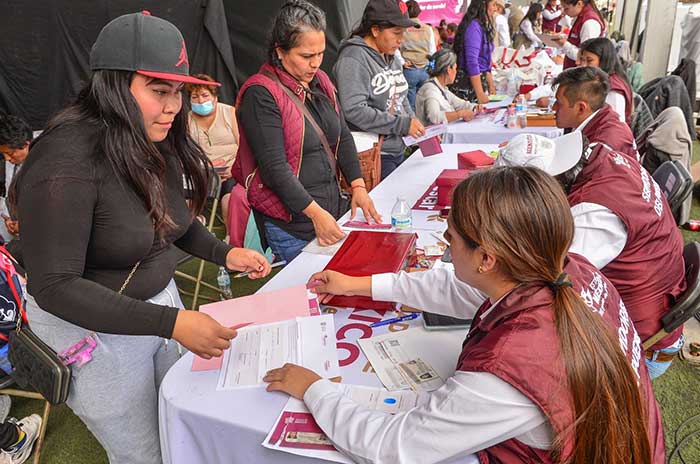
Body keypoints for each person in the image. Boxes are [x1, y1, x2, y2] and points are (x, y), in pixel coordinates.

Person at [268, 167, 665, 464]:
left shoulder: (511, 368)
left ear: (487, 258)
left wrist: (315, 389)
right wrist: (359, 285)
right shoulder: (569, 268)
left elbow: (392, 448)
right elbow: (458, 289)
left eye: (452, 237)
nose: (445, 244)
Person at [11, 12, 272, 464]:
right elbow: (53, 287)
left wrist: (224, 254)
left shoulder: (151, 137)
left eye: (178, 92)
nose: (173, 105)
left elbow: (173, 222)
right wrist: (170, 323)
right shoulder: (65, 158)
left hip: (157, 308)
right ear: (113, 85)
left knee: (181, 427)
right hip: (95, 334)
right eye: (158, 91)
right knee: (146, 454)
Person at [494, 132, 686, 378]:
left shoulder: (594, 214)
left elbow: (544, 285)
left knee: (519, 367)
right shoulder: (605, 158)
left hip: (642, 347)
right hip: (648, 315)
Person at [235, 1, 381, 263]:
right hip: (295, 224)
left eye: (321, 54)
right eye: (306, 56)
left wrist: (358, 185)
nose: (315, 63)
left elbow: (342, 135)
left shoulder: (321, 81)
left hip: (332, 209)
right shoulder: (260, 94)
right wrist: (315, 214)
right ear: (280, 51)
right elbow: (275, 169)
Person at [334, 0, 426, 180]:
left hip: (397, 149)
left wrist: (416, 126)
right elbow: (354, 110)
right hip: (374, 156)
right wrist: (403, 124)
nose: (401, 40)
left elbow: (401, 98)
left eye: (403, 33)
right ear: (375, 30)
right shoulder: (353, 58)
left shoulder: (392, 58)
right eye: (396, 33)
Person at [185, 74, 250, 247]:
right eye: (195, 97)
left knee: (229, 196)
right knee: (184, 190)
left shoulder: (229, 112)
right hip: (202, 171)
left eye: (205, 96)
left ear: (214, 97)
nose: (200, 101)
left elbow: (242, 145)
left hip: (231, 169)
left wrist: (234, 168)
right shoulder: (186, 120)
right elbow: (185, 153)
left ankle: (231, 239)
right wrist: (204, 168)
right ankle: (190, 229)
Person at [552, 66, 637, 160]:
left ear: (581, 108)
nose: (553, 107)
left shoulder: (600, 150)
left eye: (559, 103)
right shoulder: (604, 113)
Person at [451, 0, 499, 103]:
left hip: (477, 84)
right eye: (494, 5)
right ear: (483, 5)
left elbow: (485, 62)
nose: (496, 9)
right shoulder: (474, 27)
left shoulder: (481, 26)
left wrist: (491, 85)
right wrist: (480, 94)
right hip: (468, 87)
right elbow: (472, 62)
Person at [415, 49, 479, 125]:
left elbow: (459, 104)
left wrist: (475, 107)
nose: (456, 72)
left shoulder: (441, 88)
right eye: (455, 69)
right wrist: (459, 114)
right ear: (449, 70)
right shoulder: (430, 90)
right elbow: (434, 117)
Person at [579, 38, 634, 126]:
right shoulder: (601, 80)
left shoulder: (613, 91)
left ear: (604, 60)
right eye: (582, 60)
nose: (583, 65)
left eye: (589, 60)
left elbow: (616, 126)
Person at [400, 1, 437, 110]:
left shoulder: (403, 29)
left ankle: (414, 124)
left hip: (409, 69)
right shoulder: (427, 29)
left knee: (410, 106)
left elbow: (396, 49)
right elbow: (432, 51)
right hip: (424, 70)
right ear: (419, 12)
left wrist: (402, 62)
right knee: (424, 104)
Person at [0, 116, 30, 243]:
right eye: (3, 154)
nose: (7, 158)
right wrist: (7, 218)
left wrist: (27, 224)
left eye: (11, 154)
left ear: (26, 145)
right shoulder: (8, 164)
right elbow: (6, 194)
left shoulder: (43, 166)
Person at [553, 0, 606, 69]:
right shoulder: (581, 16)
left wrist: (564, 44)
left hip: (579, 73)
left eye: (566, 8)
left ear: (579, 3)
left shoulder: (589, 22)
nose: (564, 12)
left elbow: (585, 57)